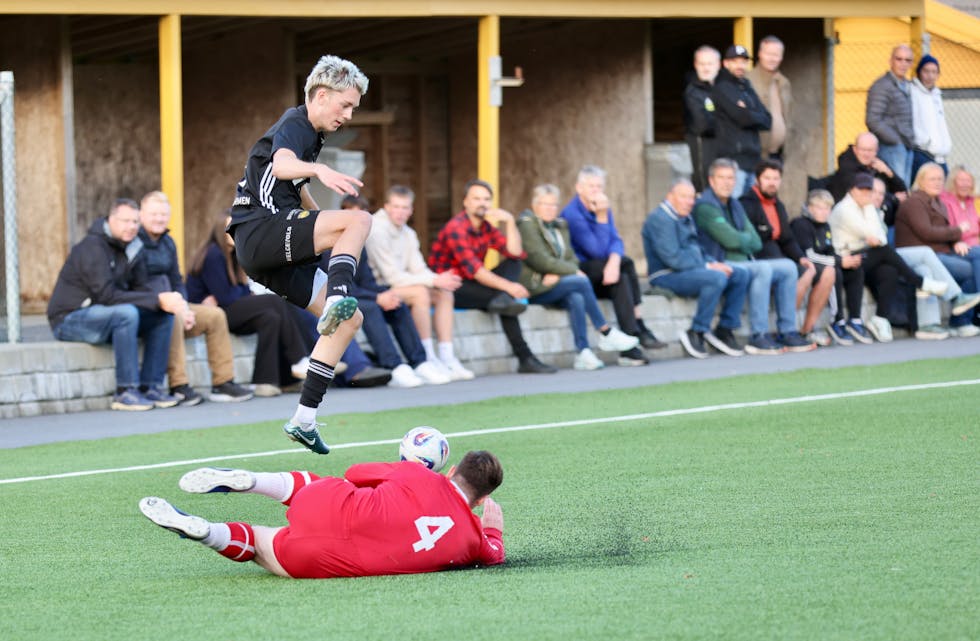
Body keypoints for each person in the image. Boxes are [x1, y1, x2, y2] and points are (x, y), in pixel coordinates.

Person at [226, 55, 373, 454]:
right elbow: (284, 164)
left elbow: (298, 194)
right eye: (345, 105)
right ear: (321, 95)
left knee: (350, 322)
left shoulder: (314, 134)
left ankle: (304, 419)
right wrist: (319, 171)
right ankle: (338, 298)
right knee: (358, 222)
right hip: (260, 231)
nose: (349, 114)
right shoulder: (296, 123)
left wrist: (322, 218)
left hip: (266, 253)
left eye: (353, 109)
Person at [138, 450, 505, 579]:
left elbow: (357, 473)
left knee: (322, 485)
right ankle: (207, 532)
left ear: (451, 469)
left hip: (333, 506)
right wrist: (493, 532)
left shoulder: (418, 474)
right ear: (481, 498)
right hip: (325, 560)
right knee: (263, 545)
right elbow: (494, 554)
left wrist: (400, 476)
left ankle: (253, 480)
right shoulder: (473, 542)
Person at [47, 199, 182, 411]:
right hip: (70, 318)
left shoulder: (134, 246)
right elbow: (106, 296)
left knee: (162, 316)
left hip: (105, 314)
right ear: (111, 220)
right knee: (126, 314)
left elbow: (142, 287)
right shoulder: (92, 247)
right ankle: (125, 391)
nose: (131, 227)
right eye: (125, 221)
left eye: (135, 222)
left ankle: (151, 387)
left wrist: (163, 301)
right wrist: (155, 299)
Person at [428, 179, 556, 374]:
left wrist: (510, 222)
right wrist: (509, 287)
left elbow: (515, 253)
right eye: (476, 198)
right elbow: (476, 271)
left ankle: (525, 356)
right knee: (504, 299)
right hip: (449, 288)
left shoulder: (485, 227)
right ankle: (526, 358)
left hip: (474, 284)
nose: (482, 203)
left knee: (512, 271)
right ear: (466, 202)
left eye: (486, 199)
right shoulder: (457, 228)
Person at [137, 191, 254, 405]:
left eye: (163, 214)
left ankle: (223, 382)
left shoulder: (168, 243)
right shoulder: (133, 242)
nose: (159, 219)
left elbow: (176, 281)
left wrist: (183, 304)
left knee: (215, 315)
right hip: (148, 304)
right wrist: (173, 306)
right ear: (141, 215)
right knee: (173, 317)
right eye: (154, 214)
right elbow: (135, 283)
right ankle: (179, 385)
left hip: (173, 303)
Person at [693, 158, 814, 355]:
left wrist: (740, 239)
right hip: (720, 261)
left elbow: (756, 241)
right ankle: (758, 335)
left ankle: (787, 331)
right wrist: (742, 239)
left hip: (743, 261)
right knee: (763, 268)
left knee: (788, 267)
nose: (726, 182)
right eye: (721, 178)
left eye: (730, 178)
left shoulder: (734, 204)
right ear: (711, 180)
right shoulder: (706, 206)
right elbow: (731, 240)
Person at [516, 183, 640, 370]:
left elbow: (572, 258)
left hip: (556, 283)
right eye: (545, 204)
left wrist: (562, 271)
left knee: (576, 297)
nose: (551, 209)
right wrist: (569, 271)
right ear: (535, 205)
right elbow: (539, 259)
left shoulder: (560, 226)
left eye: (554, 205)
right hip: (536, 285)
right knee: (580, 280)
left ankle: (583, 352)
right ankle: (605, 332)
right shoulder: (527, 224)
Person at [187, 215, 313, 397]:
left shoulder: (235, 254)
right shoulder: (213, 254)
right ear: (219, 232)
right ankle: (299, 358)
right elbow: (227, 297)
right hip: (212, 314)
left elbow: (236, 292)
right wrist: (244, 294)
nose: (234, 232)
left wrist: (243, 293)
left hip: (229, 309)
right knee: (276, 301)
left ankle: (268, 381)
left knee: (270, 318)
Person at [829, 173, 963, 342]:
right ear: (851, 190)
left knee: (889, 270)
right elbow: (872, 235)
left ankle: (881, 318)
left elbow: (880, 236)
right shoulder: (844, 209)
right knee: (884, 251)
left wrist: (873, 236)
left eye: (868, 190)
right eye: (861, 189)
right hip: (844, 259)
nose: (866, 193)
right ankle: (920, 282)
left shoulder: (867, 206)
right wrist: (873, 238)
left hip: (864, 254)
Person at [365, 185, 474, 381]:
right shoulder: (376, 229)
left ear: (411, 210)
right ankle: (427, 357)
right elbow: (392, 277)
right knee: (420, 293)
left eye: (405, 207)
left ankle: (447, 357)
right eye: (396, 206)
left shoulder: (408, 233)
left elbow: (418, 269)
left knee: (443, 292)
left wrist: (438, 280)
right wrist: (433, 279)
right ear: (386, 206)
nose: (400, 212)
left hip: (401, 285)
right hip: (380, 288)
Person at [560, 165, 664, 366]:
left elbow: (616, 240)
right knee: (626, 264)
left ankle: (629, 345)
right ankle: (638, 325)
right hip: (583, 271)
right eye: (591, 186)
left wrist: (614, 261)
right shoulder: (573, 214)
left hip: (604, 272)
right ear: (579, 188)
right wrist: (601, 216)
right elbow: (596, 251)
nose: (596, 190)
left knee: (622, 275)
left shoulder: (602, 207)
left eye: (599, 186)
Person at [643, 178, 750, 359]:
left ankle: (725, 329)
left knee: (739, 274)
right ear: (670, 196)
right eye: (684, 197)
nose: (690, 202)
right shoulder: (660, 218)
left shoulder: (686, 216)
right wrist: (708, 266)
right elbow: (673, 258)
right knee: (716, 278)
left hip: (690, 270)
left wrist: (714, 263)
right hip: (666, 275)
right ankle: (697, 331)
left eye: (692, 198)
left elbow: (698, 250)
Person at [740, 159, 834, 344]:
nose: (772, 182)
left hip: (781, 257)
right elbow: (752, 240)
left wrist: (801, 258)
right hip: (760, 258)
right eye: (767, 178)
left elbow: (787, 239)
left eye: (776, 178)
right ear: (758, 179)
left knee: (823, 271)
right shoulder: (746, 203)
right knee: (798, 272)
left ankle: (805, 329)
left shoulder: (778, 205)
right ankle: (786, 329)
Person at [331, 246, 451, 387]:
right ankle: (393, 366)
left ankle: (420, 362)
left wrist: (385, 294)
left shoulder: (358, 245)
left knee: (397, 303)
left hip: (360, 295)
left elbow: (367, 281)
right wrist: (376, 297)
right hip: (336, 298)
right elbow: (336, 286)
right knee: (371, 308)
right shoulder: (329, 247)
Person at [894, 163, 980, 336]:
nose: (937, 182)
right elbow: (926, 232)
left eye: (940, 179)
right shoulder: (914, 202)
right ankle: (957, 299)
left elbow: (941, 233)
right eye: (932, 179)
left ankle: (953, 324)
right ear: (920, 180)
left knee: (966, 265)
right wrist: (957, 232)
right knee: (968, 267)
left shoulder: (937, 202)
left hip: (935, 254)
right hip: (913, 254)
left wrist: (955, 241)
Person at [791, 189, 868, 346]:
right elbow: (809, 255)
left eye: (827, 208)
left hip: (823, 264)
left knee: (855, 270)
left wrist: (847, 260)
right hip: (806, 266)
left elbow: (830, 251)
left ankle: (855, 319)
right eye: (819, 207)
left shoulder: (825, 226)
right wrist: (839, 262)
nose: (824, 212)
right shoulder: (800, 224)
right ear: (809, 208)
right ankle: (837, 321)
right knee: (833, 271)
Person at [710, 45, 771, 196]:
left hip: (753, 161)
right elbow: (742, 118)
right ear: (726, 64)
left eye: (743, 62)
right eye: (735, 61)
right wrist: (752, 113)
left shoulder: (746, 86)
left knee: (748, 210)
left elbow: (768, 120)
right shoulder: (722, 87)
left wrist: (748, 112)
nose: (740, 65)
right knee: (734, 207)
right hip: (734, 162)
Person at [828, 132, 908, 229]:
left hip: (880, 219)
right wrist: (893, 198)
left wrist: (888, 171)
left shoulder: (878, 163)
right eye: (863, 149)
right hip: (852, 220)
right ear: (855, 149)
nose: (866, 154)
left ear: (876, 150)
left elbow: (903, 191)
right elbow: (864, 194)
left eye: (870, 150)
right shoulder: (847, 165)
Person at [866, 44, 915, 186]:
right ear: (891, 61)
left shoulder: (907, 85)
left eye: (907, 60)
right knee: (896, 189)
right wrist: (895, 141)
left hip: (907, 145)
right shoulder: (881, 86)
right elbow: (872, 120)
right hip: (890, 147)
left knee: (904, 189)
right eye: (899, 59)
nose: (903, 63)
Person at [746, 35, 791, 162]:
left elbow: (787, 116)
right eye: (768, 54)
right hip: (755, 154)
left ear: (781, 57)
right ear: (759, 54)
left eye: (776, 54)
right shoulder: (748, 80)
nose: (772, 58)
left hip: (777, 154)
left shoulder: (784, 82)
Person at [683, 45, 721, 192]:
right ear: (695, 65)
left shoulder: (722, 88)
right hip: (702, 151)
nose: (706, 68)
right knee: (705, 192)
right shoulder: (693, 91)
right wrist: (723, 120)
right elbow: (702, 124)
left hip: (722, 154)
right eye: (702, 64)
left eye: (710, 64)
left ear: (718, 65)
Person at [909, 54, 952, 180]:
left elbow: (941, 124)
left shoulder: (936, 94)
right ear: (919, 72)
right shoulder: (913, 92)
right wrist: (927, 143)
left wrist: (946, 145)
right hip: (923, 153)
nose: (930, 76)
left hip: (940, 156)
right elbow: (913, 122)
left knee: (944, 194)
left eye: (934, 72)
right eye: (926, 71)